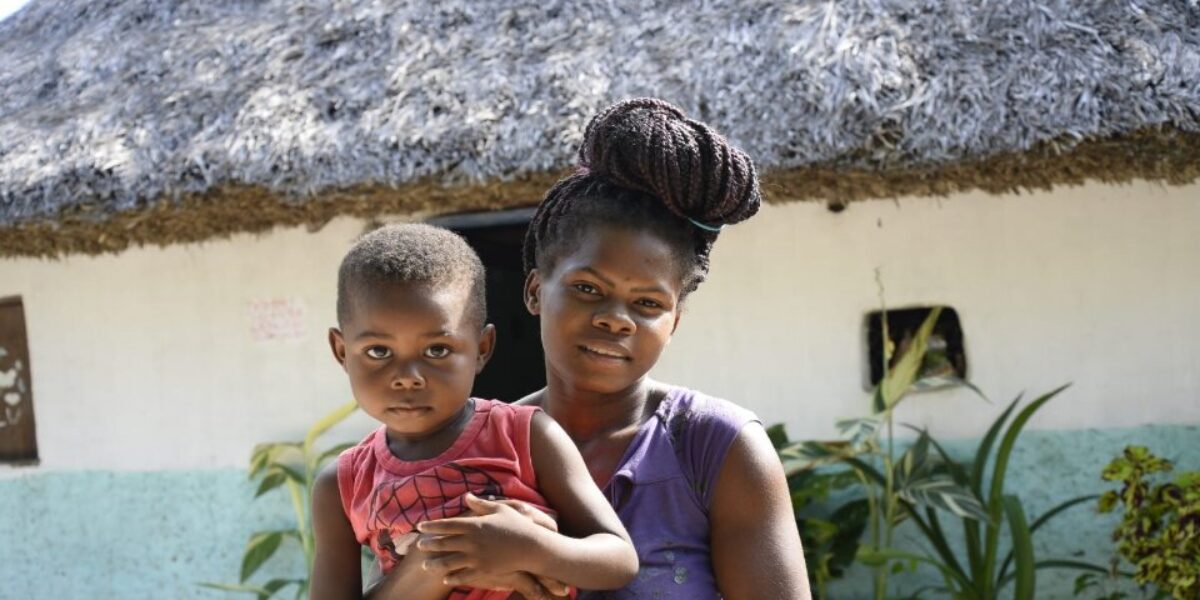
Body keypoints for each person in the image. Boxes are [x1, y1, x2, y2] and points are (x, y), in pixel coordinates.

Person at [381, 98, 812, 599]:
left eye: (648, 302)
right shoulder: (470, 449)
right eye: (587, 288)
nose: (615, 318)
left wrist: (540, 553)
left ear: (674, 321)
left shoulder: (715, 449)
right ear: (536, 291)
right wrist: (454, 553)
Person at [310, 224, 639, 600]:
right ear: (341, 351)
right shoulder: (342, 484)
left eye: (437, 350)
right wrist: (432, 563)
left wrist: (529, 545)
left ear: (482, 348)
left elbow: (619, 559)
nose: (407, 377)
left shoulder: (525, 436)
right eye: (379, 352)